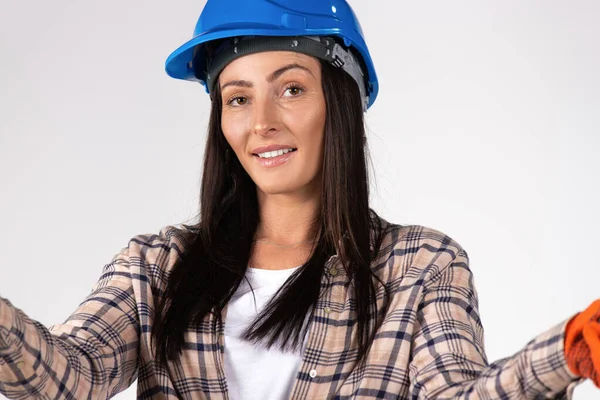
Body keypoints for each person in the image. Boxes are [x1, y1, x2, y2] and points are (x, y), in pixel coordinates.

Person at [0, 0, 598, 398]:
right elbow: (66, 379)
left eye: (290, 88)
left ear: (338, 103)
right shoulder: (156, 269)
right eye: (237, 98)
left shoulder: (421, 267)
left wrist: (564, 351)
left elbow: (457, 395)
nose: (261, 122)